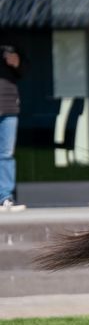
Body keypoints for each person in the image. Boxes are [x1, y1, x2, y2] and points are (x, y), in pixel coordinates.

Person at [0, 38, 25, 212]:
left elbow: (26, 68)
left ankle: (5, 198)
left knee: (6, 154)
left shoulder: (9, 40)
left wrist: (17, 62)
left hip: (9, 105)